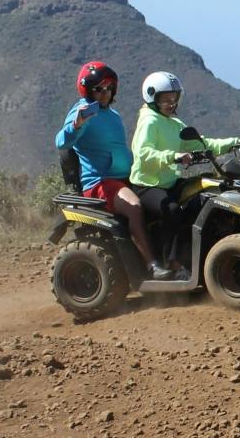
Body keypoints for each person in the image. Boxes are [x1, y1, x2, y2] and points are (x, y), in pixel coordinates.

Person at [55, 60, 172, 281]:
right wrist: (76, 125)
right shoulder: (83, 112)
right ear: (88, 90)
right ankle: (152, 266)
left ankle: (172, 258)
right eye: (98, 89)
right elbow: (62, 141)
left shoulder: (113, 115)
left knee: (164, 201)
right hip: (100, 183)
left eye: (109, 88)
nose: (105, 93)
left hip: (124, 179)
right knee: (135, 207)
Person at [130, 71, 240, 268]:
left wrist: (236, 142)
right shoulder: (149, 121)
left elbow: (202, 143)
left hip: (170, 183)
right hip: (146, 185)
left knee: (204, 194)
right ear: (152, 98)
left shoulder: (174, 123)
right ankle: (170, 264)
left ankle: (193, 255)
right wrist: (172, 156)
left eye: (174, 99)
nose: (171, 103)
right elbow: (143, 153)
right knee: (172, 211)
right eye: (166, 99)